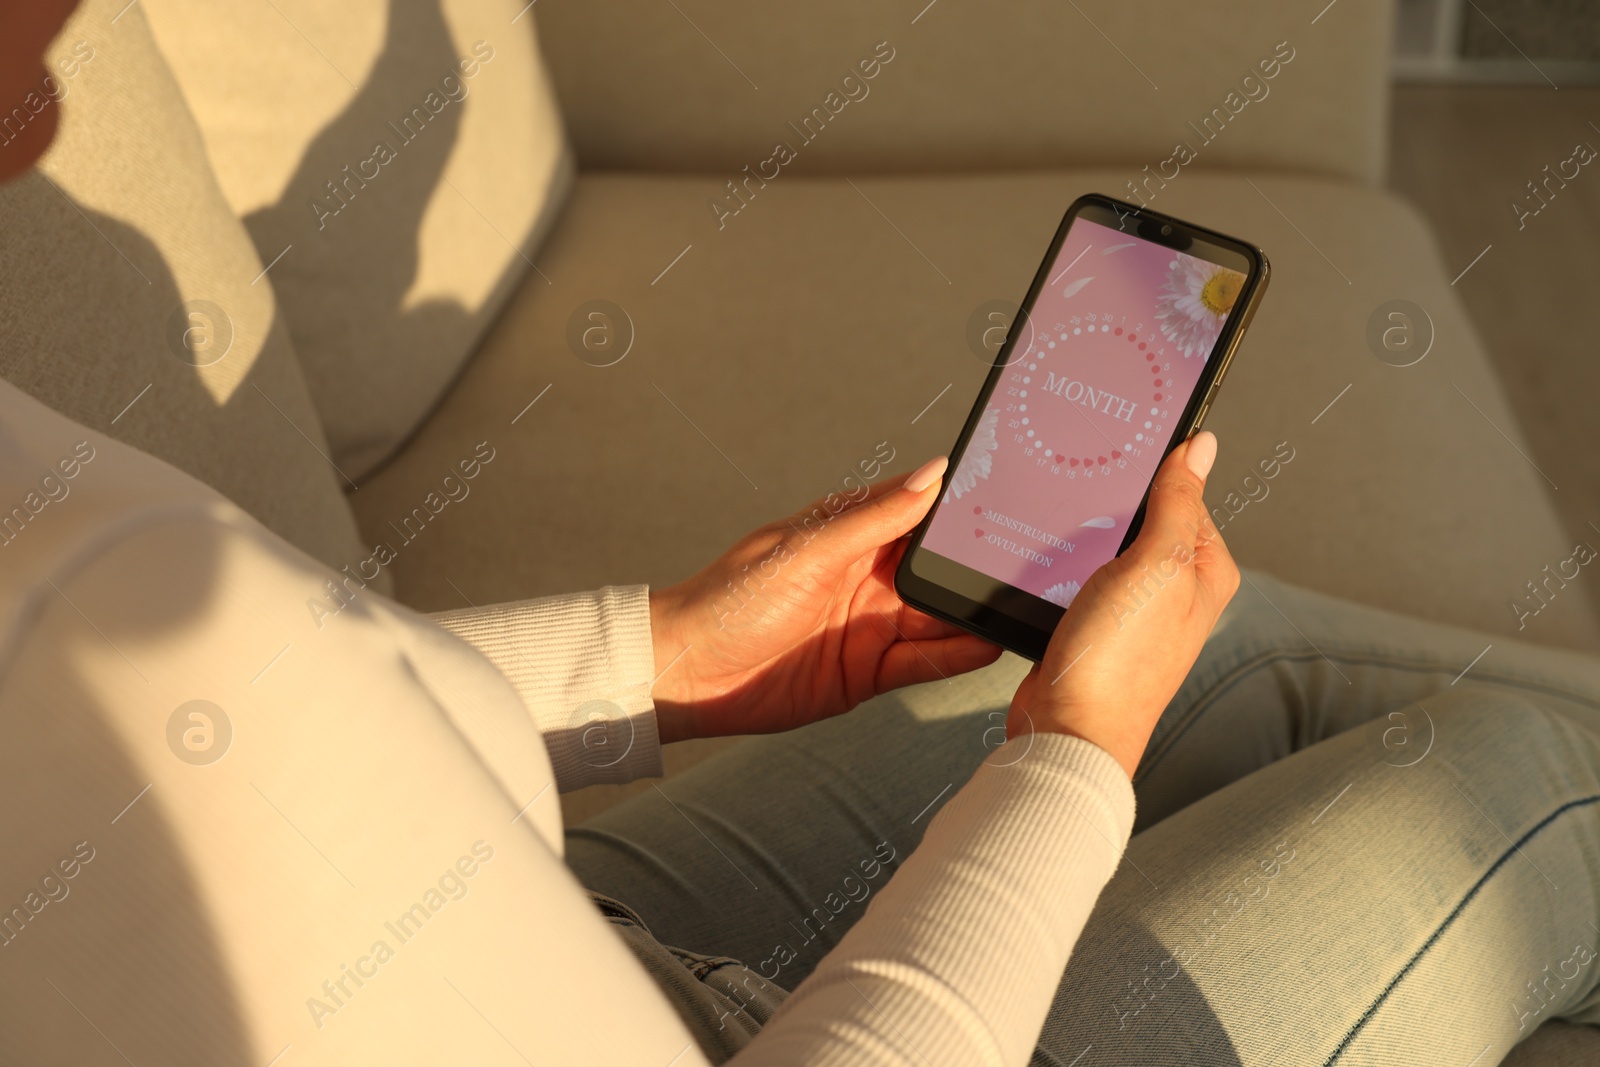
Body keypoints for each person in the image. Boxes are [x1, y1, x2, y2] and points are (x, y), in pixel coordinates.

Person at [3, 3, 1600, 1065]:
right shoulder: (85, 595)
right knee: (1511, 776)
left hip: (547, 915)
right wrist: (1069, 763)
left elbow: (247, 762)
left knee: (1225, 645)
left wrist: (663, 656)